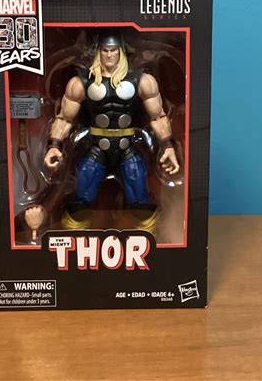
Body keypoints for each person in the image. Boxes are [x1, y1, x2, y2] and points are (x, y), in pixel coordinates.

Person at [44, 32, 179, 236]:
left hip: (127, 148)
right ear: (98, 52)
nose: (109, 55)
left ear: (121, 52)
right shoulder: (80, 83)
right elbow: (64, 119)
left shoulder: (142, 81)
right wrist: (54, 146)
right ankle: (73, 241)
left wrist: (168, 146)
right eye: (105, 50)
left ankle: (150, 241)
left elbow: (158, 117)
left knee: (140, 199)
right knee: (80, 199)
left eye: (113, 50)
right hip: (96, 147)